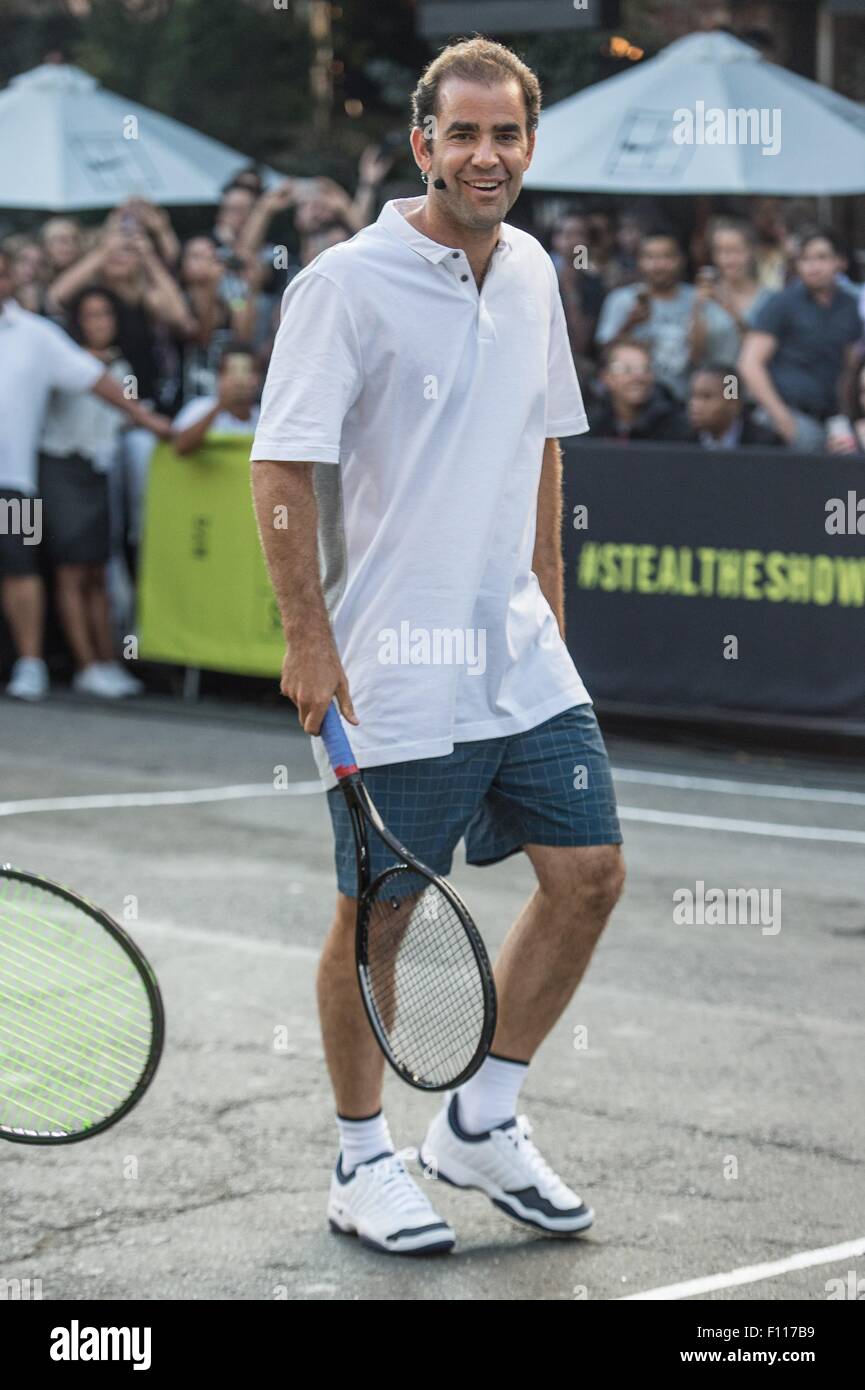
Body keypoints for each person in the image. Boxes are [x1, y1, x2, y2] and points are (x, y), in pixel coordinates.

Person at [251, 35, 624, 1256]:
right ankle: (362, 1157)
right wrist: (307, 642)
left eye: (504, 133)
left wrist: (549, 605)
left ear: (528, 143)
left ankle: (481, 1118)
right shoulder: (344, 284)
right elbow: (281, 466)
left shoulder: (530, 271)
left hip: (517, 653)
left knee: (589, 875)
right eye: (459, 134)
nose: (484, 154)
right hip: (393, 660)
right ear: (421, 145)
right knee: (384, 911)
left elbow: (546, 439)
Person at [0, 248, 171, 701]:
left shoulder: (37, 334)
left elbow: (95, 379)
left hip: (16, 484)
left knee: (20, 568)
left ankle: (31, 664)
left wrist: (151, 422)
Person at [38, 287, 144, 698]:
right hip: (62, 467)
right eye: (90, 315)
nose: (99, 323)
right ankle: (85, 665)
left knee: (98, 569)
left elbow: (131, 414)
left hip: (101, 474)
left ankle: (107, 662)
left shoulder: (123, 365)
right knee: (72, 570)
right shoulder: (62, 361)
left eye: (106, 314)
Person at [738, 229, 862, 451]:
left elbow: (850, 368)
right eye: (805, 259)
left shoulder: (850, 306)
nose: (813, 267)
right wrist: (781, 418)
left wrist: (847, 418)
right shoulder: (782, 303)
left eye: (821, 257)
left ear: (840, 262)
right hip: (786, 413)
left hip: (831, 416)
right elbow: (749, 364)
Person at [594, 228, 739, 403]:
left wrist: (697, 311)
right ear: (639, 261)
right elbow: (604, 357)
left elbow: (699, 358)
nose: (659, 265)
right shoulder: (622, 300)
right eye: (650, 257)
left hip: (684, 401)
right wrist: (630, 324)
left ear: (681, 260)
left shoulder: (699, 299)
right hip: (632, 401)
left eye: (667, 257)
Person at [585, 339, 691, 443]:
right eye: (626, 369)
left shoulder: (676, 427)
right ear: (606, 377)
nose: (638, 377)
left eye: (644, 369)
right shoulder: (590, 427)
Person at [171, 343, 261, 454]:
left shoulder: (265, 417)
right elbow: (179, 447)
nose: (240, 381)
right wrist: (220, 406)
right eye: (232, 371)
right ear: (220, 377)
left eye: (247, 371)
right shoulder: (198, 408)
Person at [548, 209, 605, 374]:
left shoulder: (592, 282)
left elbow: (583, 340)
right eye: (565, 233)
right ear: (555, 239)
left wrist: (572, 289)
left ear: (587, 240)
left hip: (580, 360)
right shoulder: (541, 273)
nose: (571, 240)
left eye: (578, 234)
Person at [687, 364, 781, 448]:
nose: (695, 405)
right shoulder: (679, 438)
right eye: (693, 396)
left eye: (707, 397)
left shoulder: (765, 445)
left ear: (734, 404)